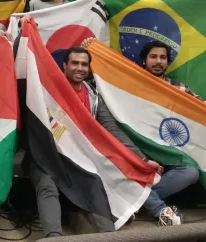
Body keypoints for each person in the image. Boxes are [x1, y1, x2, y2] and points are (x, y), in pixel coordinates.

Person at [64, 46, 197, 227]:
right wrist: (93, 49)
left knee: (190, 173)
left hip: (167, 151)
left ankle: (132, 202)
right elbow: (90, 82)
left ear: (167, 61)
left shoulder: (178, 88)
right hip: (135, 148)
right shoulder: (126, 84)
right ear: (144, 60)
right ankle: (158, 208)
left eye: (162, 57)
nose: (158, 61)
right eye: (153, 57)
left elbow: (199, 111)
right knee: (119, 163)